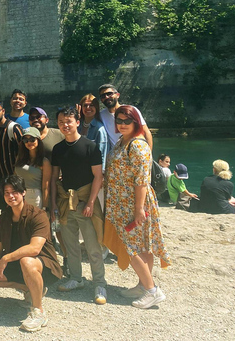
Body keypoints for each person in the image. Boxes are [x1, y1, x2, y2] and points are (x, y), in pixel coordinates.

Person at [103, 105, 170, 308]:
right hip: (121, 203)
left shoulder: (138, 146)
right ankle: (143, 284)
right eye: (119, 121)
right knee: (142, 246)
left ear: (136, 122)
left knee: (130, 246)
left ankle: (152, 290)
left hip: (133, 204)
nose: (122, 124)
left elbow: (141, 181)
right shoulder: (123, 141)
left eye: (127, 121)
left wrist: (139, 209)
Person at [0, 175, 63, 333]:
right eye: (7, 193)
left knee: (27, 261)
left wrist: (6, 258)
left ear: (24, 192)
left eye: (15, 192)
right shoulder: (3, 219)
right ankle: (30, 290)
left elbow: (34, 249)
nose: (11, 196)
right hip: (16, 264)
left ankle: (38, 312)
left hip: (43, 265)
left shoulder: (38, 215)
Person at [50, 106, 107, 305]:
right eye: (61, 122)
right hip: (66, 201)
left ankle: (99, 283)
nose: (65, 125)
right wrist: (54, 204)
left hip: (85, 201)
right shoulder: (58, 149)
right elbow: (54, 177)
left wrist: (91, 203)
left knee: (92, 246)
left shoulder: (90, 146)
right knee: (70, 244)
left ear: (77, 122)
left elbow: (98, 177)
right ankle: (76, 278)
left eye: (69, 121)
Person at [0, 99, 23, 210]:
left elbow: (23, 153)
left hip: (13, 179)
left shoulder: (14, 128)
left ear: (3, 110)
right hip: (0, 179)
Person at [98, 84, 153, 151]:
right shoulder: (101, 115)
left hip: (135, 151)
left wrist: (149, 155)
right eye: (103, 96)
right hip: (116, 155)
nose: (106, 97)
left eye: (109, 94)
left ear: (117, 95)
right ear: (101, 100)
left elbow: (146, 132)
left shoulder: (131, 110)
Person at [29, 106, 64, 208]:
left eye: (39, 116)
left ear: (47, 120)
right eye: (32, 118)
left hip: (56, 184)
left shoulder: (59, 134)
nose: (35, 119)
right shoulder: (28, 139)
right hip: (35, 186)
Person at [14, 127, 45, 207]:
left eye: (32, 139)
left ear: (38, 139)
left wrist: (45, 206)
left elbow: (46, 187)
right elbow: (15, 177)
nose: (29, 142)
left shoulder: (44, 162)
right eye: (25, 140)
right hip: (18, 194)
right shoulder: (19, 158)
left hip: (35, 196)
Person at [78, 94, 108, 169]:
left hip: (93, 170)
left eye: (91, 105)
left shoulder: (99, 128)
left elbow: (102, 153)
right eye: (85, 105)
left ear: (96, 107)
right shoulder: (77, 125)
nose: (88, 108)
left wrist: (101, 173)